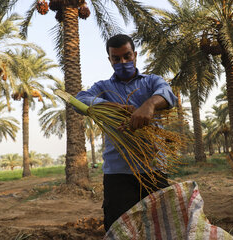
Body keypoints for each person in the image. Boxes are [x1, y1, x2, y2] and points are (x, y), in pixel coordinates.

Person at [74, 34, 177, 231]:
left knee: (161, 227)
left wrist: (149, 104)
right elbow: (80, 101)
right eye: (116, 58)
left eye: (127, 56)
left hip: (153, 168)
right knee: (118, 229)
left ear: (135, 55)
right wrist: (113, 107)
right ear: (110, 60)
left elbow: (167, 94)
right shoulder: (103, 87)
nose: (123, 62)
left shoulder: (151, 82)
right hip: (118, 173)